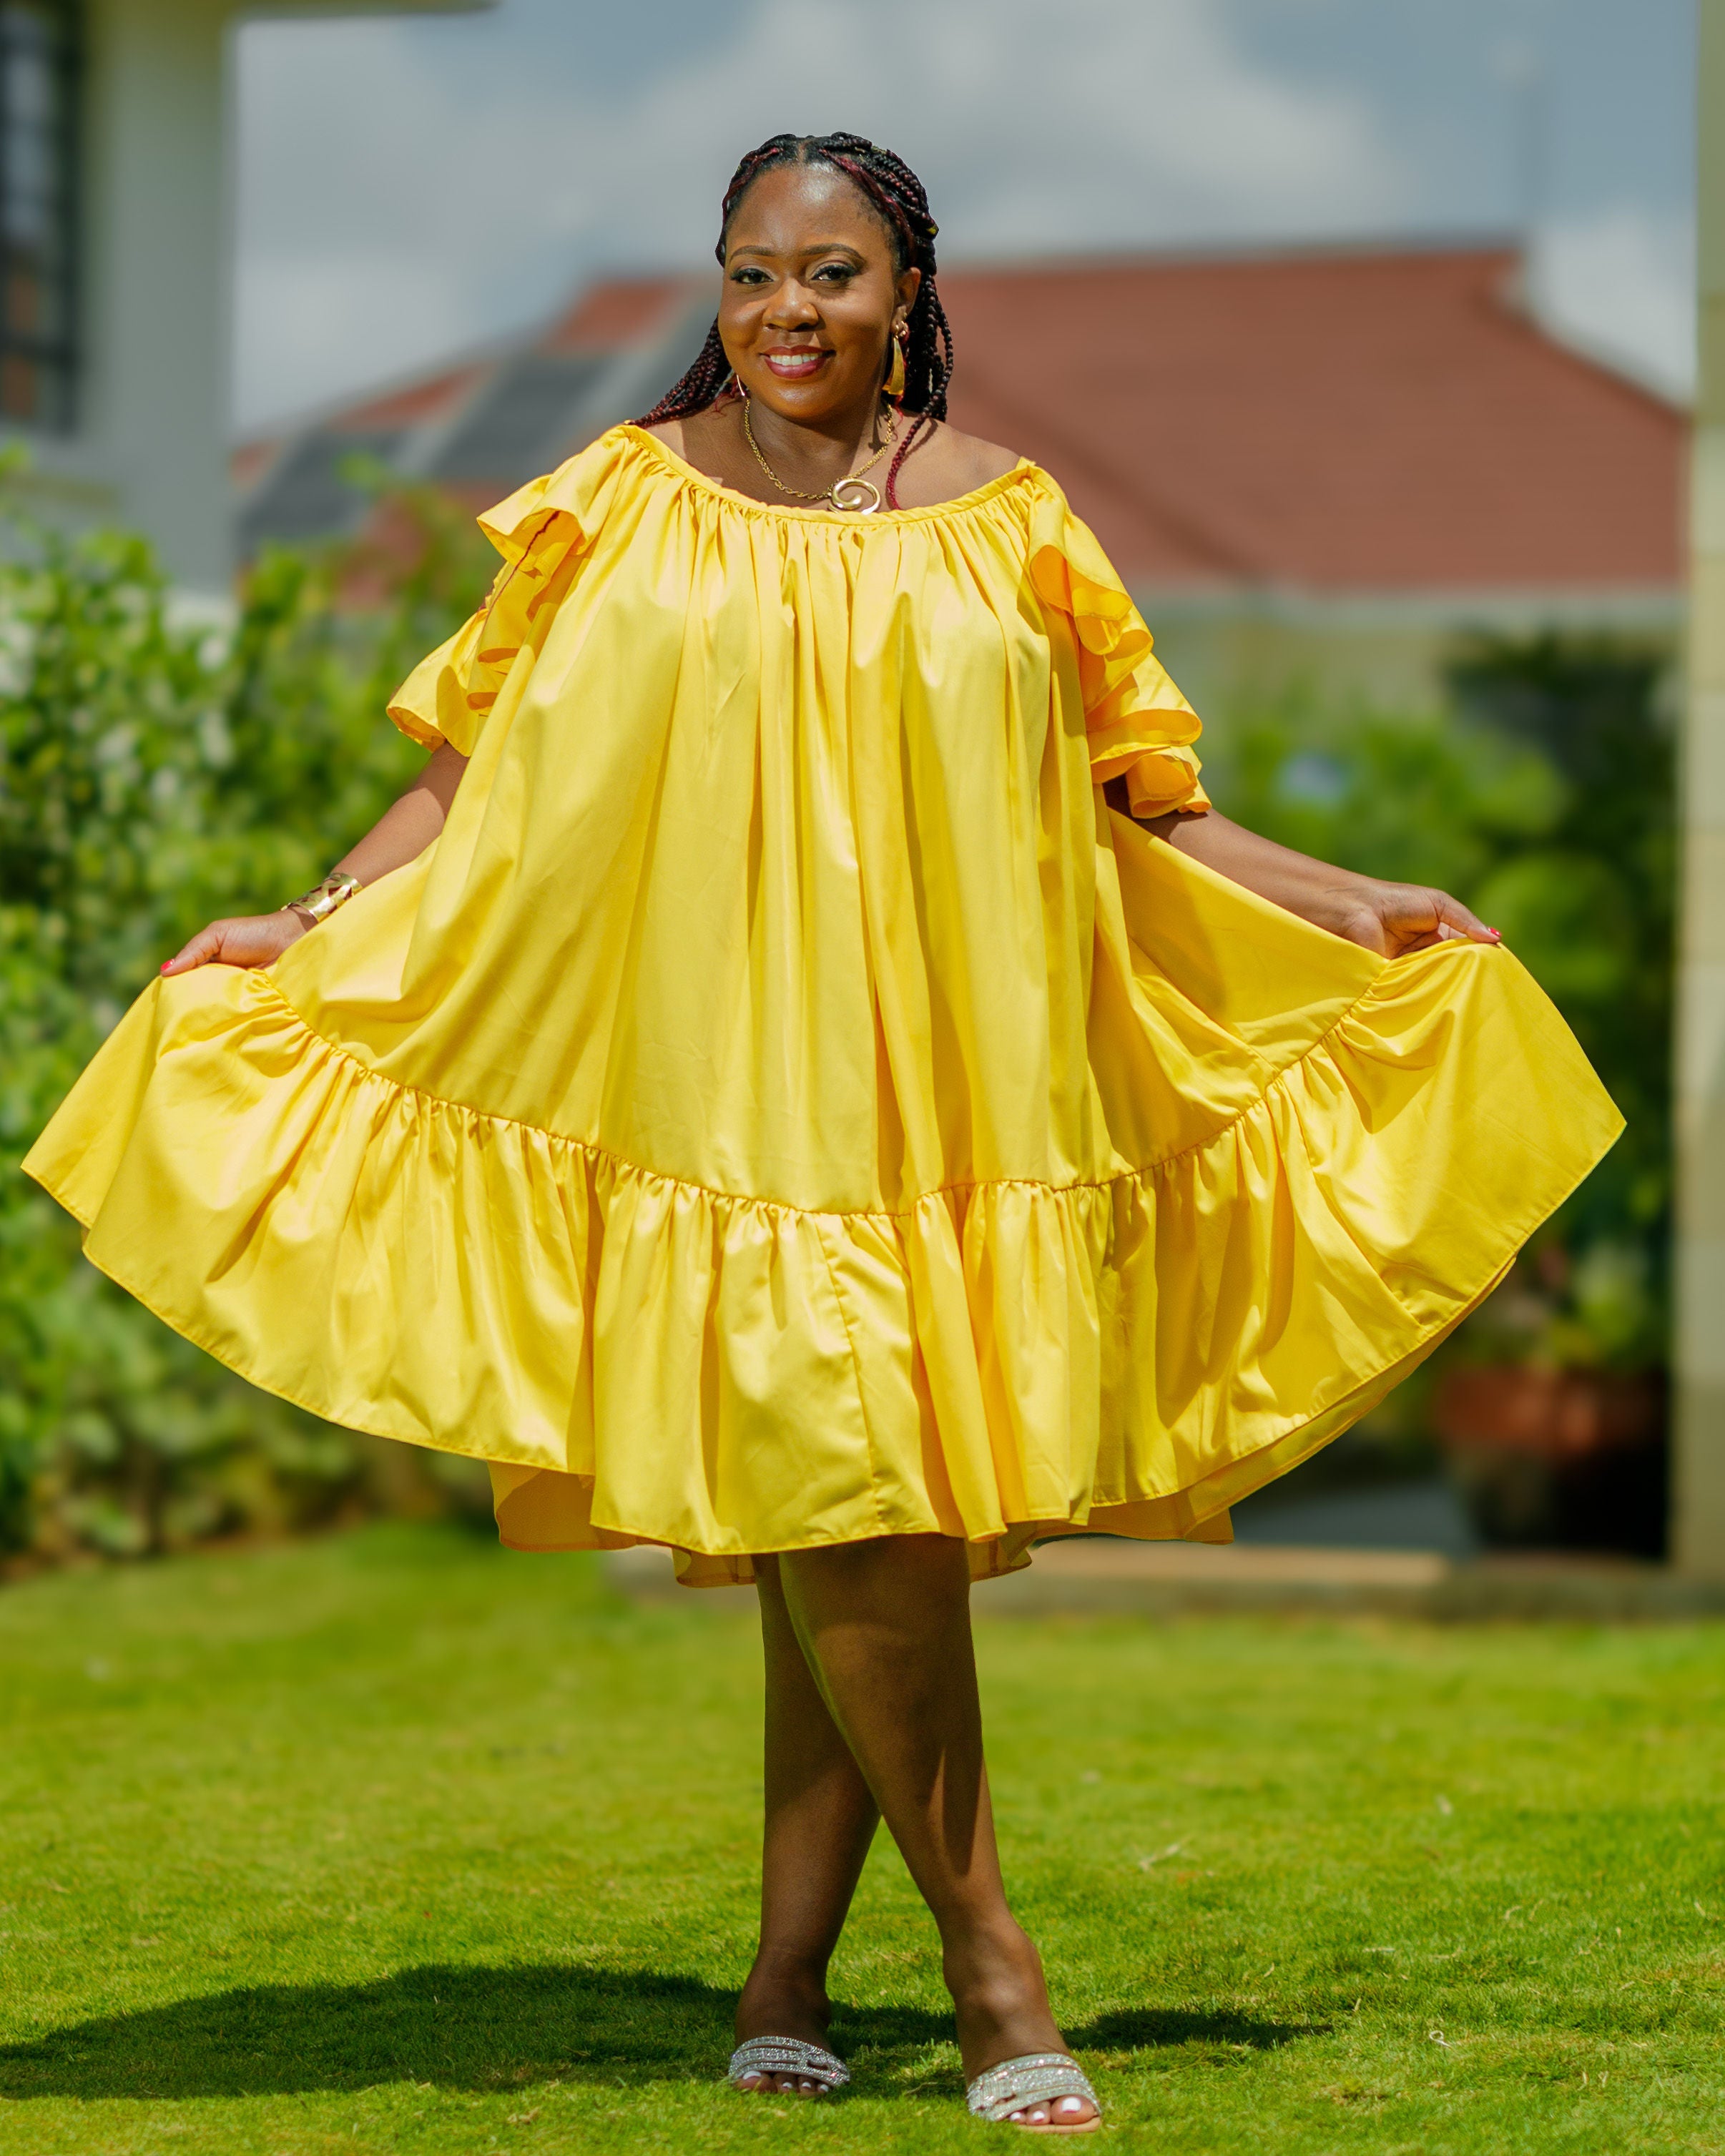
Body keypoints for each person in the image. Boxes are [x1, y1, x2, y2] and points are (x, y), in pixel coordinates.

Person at [25, 132, 1621, 2133]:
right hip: (710, 1102)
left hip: (943, 1103)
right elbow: (467, 777)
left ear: (906, 291)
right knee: (853, 1517)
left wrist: (1351, 902)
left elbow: (1150, 805)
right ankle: (990, 1965)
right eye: (753, 271)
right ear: (720, 290)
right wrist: (311, 919)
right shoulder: (615, 501)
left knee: (842, 1525)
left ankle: (787, 1976)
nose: (790, 308)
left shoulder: (1013, 521)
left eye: (834, 272)